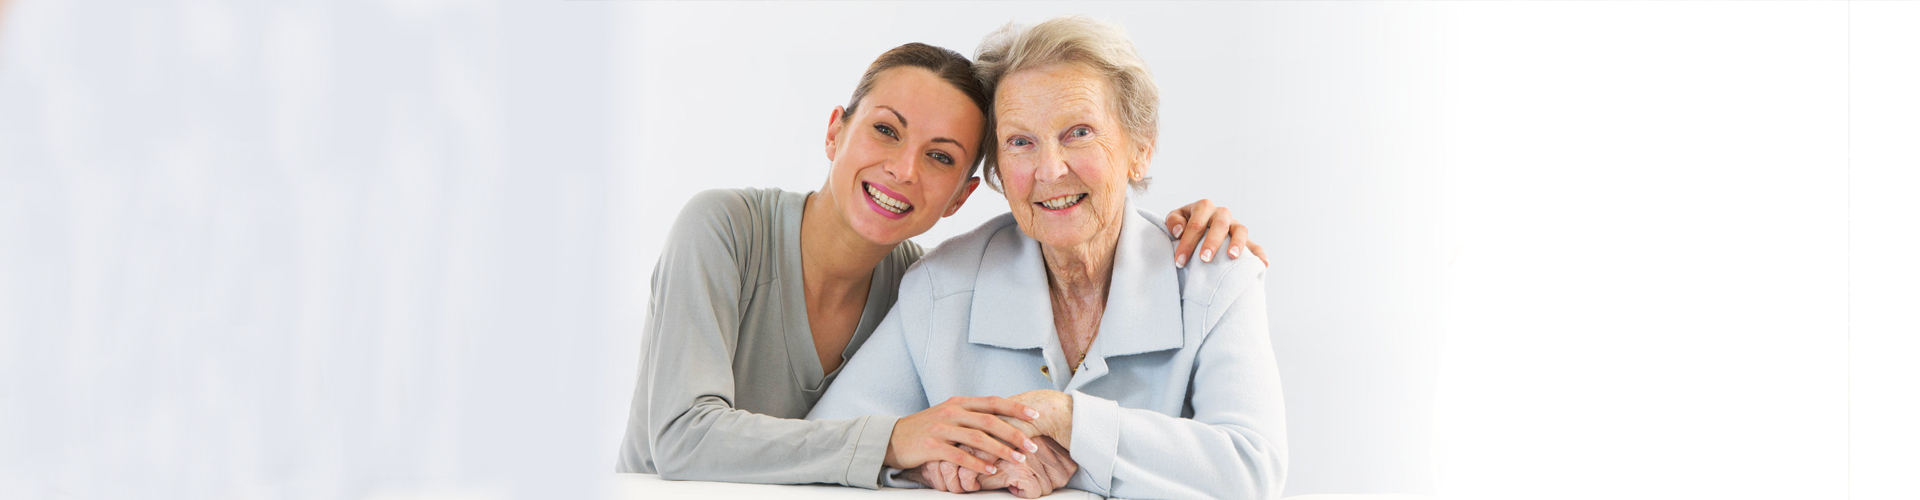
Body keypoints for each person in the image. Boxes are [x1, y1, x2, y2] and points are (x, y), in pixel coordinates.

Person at [615, 42, 1268, 489]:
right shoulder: (722, 228)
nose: (903, 169)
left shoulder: (925, 283)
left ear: (964, 195)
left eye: (941, 156)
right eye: (886, 130)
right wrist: (905, 446)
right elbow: (683, 440)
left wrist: (961, 463)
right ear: (834, 132)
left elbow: (923, 444)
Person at [807, 17, 1287, 499]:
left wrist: (1065, 422)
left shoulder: (1218, 279)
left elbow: (1251, 470)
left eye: (1078, 132)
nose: (1050, 170)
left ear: (1140, 150)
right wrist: (933, 467)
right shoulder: (941, 285)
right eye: (1020, 142)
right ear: (996, 169)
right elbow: (829, 446)